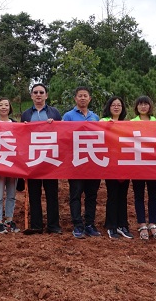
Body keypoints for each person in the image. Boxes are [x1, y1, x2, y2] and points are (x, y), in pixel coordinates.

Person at [20, 83, 62, 235]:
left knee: (52, 194)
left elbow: (62, 133)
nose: (38, 95)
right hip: (33, 161)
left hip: (50, 160)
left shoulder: (55, 113)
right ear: (31, 96)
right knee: (34, 194)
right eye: (35, 92)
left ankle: (53, 225)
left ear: (46, 95)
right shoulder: (26, 114)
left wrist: (54, 125)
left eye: (41, 92)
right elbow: (22, 137)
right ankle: (36, 225)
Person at [63, 86, 102, 239]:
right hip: (75, 162)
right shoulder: (68, 116)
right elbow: (63, 136)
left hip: (93, 162)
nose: (83, 98)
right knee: (75, 195)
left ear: (90, 99)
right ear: (75, 98)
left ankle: (90, 224)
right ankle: (78, 225)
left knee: (91, 195)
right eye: (80, 96)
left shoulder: (95, 117)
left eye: (85, 96)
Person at [130, 96, 156, 241]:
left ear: (150, 106)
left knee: (153, 196)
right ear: (136, 107)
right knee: (139, 195)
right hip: (137, 164)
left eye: (146, 104)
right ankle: (142, 224)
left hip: (153, 164)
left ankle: (153, 224)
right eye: (140, 104)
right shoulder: (131, 123)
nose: (143, 106)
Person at [101, 96, 133, 240]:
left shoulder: (127, 124)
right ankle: (111, 225)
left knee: (123, 195)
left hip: (125, 164)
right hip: (110, 164)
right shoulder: (103, 121)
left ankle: (122, 224)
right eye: (113, 105)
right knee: (112, 195)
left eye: (119, 105)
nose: (116, 107)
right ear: (109, 107)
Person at [0, 97, 19, 234]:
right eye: (1, 105)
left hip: (13, 164)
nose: (3, 107)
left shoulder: (17, 124)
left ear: (10, 108)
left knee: (11, 194)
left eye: (6, 105)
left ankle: (9, 219)